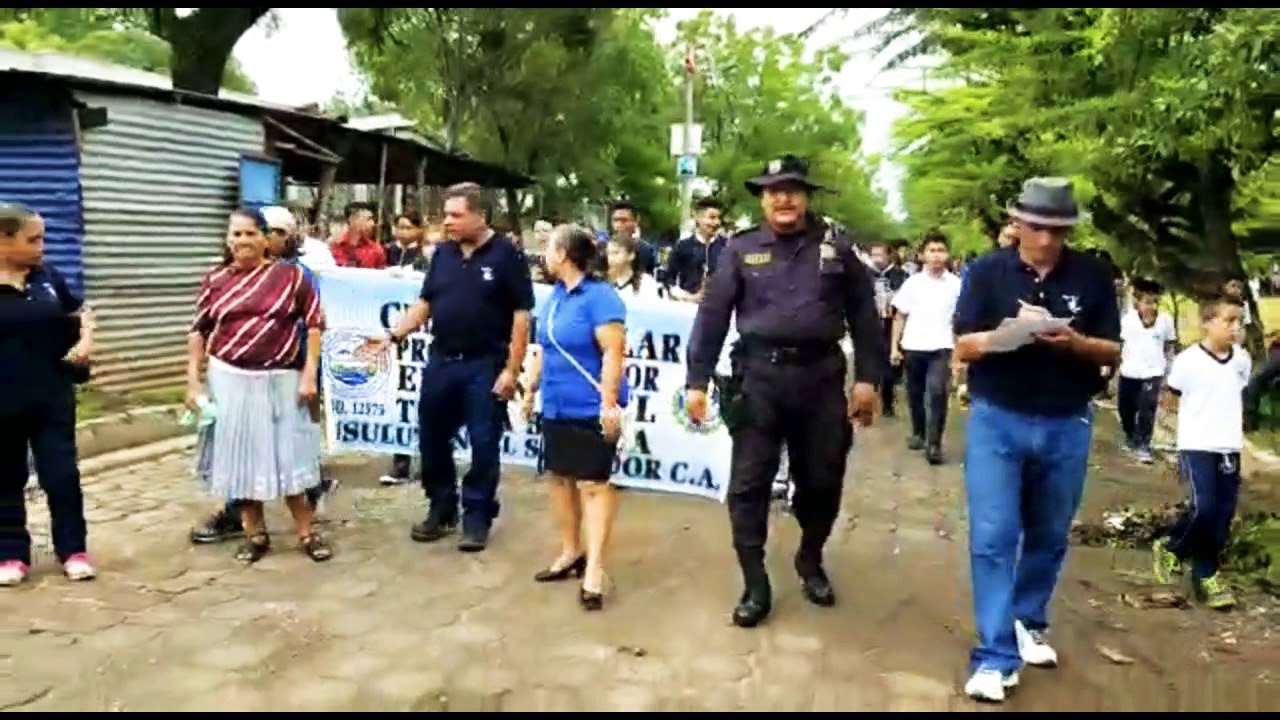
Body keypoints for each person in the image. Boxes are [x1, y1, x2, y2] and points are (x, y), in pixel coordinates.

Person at [685, 154, 884, 628]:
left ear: (806, 195)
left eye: (792, 188)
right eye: (773, 190)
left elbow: (863, 316)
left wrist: (868, 380)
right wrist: (696, 379)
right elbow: (712, 316)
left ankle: (809, 557)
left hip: (820, 381)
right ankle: (755, 582)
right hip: (758, 381)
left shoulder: (837, 248)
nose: (783, 197)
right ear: (762, 199)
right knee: (749, 486)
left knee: (821, 482)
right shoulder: (740, 249)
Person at [953, 177, 1120, 703]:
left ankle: (1027, 618)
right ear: (1017, 223)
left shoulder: (1092, 277)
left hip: (1066, 420)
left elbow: (1111, 350)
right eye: (1036, 227)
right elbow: (963, 343)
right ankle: (994, 655)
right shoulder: (986, 272)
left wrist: (1075, 343)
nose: (1045, 239)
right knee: (994, 535)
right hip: (997, 418)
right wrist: (1002, 337)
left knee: (1049, 533)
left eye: (1056, 230)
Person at [366, 183, 534, 552]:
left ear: (480, 216)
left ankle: (477, 517)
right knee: (431, 437)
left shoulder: (508, 256)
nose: (448, 221)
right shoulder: (442, 254)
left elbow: (522, 317)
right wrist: (393, 337)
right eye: (447, 214)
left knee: (483, 442)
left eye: (456, 215)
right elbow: (426, 302)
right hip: (442, 360)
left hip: (485, 365)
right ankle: (441, 508)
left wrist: (511, 370)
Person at [186, 208, 331, 564]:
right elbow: (198, 330)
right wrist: (193, 381)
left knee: (290, 457)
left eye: (250, 234)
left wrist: (310, 372)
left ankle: (307, 533)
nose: (242, 241)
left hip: (282, 379)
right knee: (242, 460)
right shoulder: (215, 280)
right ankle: (256, 535)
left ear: (266, 239)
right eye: (235, 234)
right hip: (229, 379)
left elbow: (314, 324)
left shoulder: (291, 277)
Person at [522, 224, 628, 610]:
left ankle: (595, 569)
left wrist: (608, 404)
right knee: (560, 479)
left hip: (590, 406)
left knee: (593, 485)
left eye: (548, 247)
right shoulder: (554, 297)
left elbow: (614, 353)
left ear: (564, 254)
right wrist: (531, 392)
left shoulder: (600, 297)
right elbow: (543, 348)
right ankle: (571, 551)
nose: (543, 254)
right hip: (556, 404)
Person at [0, 202, 96, 586]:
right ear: (4, 240)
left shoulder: (48, 277)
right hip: (3, 400)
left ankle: (73, 550)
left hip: (52, 396)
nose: (42, 246)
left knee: (61, 474)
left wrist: (86, 342)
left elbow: (82, 313)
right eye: (33, 239)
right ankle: (9, 553)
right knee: (5, 477)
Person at [1153, 294, 1250, 610]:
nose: (1235, 327)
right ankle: (1174, 547)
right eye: (1228, 320)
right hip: (1197, 445)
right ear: (1207, 323)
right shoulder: (1188, 361)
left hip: (1229, 446)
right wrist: (1171, 438)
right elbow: (1171, 397)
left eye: (1239, 321)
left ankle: (1207, 574)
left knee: (1222, 516)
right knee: (1203, 508)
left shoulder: (1242, 360)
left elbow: (1237, 393)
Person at [889, 230, 962, 464]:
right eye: (932, 250)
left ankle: (934, 444)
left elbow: (961, 320)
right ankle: (919, 431)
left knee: (938, 392)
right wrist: (894, 347)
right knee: (915, 392)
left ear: (948, 255)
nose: (937, 255)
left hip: (942, 346)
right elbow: (899, 316)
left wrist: (960, 355)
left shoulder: (956, 285)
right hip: (914, 345)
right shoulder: (913, 283)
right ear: (922, 255)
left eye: (941, 250)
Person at [1116, 278, 1177, 464]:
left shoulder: (1165, 321)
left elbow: (1170, 346)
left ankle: (1144, 444)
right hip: (1129, 371)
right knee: (1126, 408)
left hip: (1154, 371)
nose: (1151, 306)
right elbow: (1119, 344)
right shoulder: (1127, 321)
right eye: (1147, 302)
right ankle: (1130, 435)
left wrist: (1170, 372)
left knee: (1146, 408)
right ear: (1138, 303)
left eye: (1155, 302)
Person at [867, 241, 909, 417]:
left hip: (893, 323)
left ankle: (887, 402)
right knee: (871, 361)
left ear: (888, 255)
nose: (876, 259)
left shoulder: (901, 275)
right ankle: (872, 395)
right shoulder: (866, 274)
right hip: (871, 323)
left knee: (889, 365)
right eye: (873, 255)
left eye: (880, 255)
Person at [664, 197, 727, 302]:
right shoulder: (682, 246)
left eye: (719, 218)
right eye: (712, 217)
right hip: (687, 307)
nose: (716, 222)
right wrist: (687, 297)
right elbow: (669, 279)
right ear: (698, 217)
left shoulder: (728, 247)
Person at [605, 234, 663, 300]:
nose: (611, 258)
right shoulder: (602, 283)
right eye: (608, 253)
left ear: (631, 255)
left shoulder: (646, 284)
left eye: (616, 253)